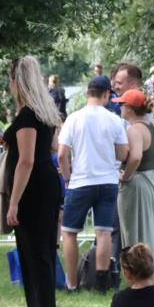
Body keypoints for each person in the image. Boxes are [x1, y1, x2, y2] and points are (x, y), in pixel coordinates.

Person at [4, 56, 64, 307]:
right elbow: (51, 146)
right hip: (46, 182)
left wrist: (13, 202)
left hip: (33, 188)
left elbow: (25, 161)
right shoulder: (44, 113)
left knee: (35, 254)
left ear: (17, 80)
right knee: (39, 254)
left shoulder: (28, 115)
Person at [57, 75, 128, 293]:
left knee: (69, 232)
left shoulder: (74, 118)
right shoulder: (115, 120)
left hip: (80, 181)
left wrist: (68, 178)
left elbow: (61, 155)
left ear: (88, 93)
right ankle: (101, 283)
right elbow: (123, 152)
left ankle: (72, 283)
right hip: (107, 181)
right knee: (104, 232)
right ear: (106, 94)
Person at [115, 88, 154, 272]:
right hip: (150, 182)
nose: (120, 107)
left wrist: (126, 175)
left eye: (122, 104)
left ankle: (137, 273)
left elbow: (136, 157)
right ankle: (148, 272)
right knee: (149, 229)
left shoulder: (134, 130)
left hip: (136, 185)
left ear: (130, 109)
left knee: (133, 231)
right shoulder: (152, 128)